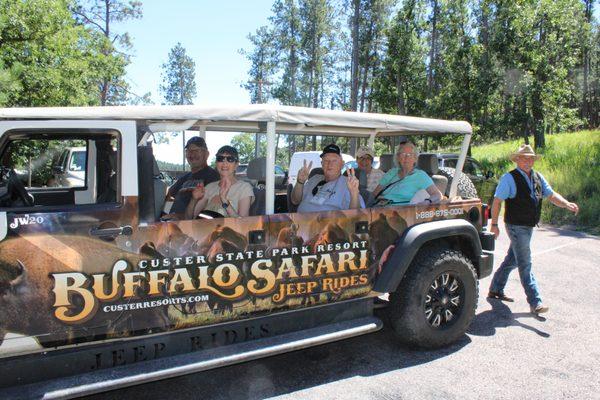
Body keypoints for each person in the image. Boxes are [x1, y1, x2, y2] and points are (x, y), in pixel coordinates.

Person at [487, 144, 578, 314]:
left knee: (513, 259)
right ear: (517, 160)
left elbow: (550, 195)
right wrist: (494, 225)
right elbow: (497, 201)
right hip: (515, 226)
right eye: (524, 158)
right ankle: (535, 301)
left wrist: (566, 204)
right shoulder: (509, 178)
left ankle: (495, 289)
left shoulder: (537, 177)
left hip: (528, 226)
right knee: (525, 262)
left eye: (531, 158)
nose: (528, 161)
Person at [291, 143, 364, 213]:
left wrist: (354, 193)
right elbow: (295, 201)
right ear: (322, 164)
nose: (330, 164)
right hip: (299, 222)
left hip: (326, 225)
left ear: (342, 164)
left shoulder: (348, 184)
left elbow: (357, 216)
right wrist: (300, 182)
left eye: (334, 160)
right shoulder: (314, 179)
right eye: (326, 160)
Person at [185, 145, 254, 218]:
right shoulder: (210, 187)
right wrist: (194, 199)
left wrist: (224, 200)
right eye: (220, 159)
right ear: (216, 164)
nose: (224, 163)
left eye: (230, 159)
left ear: (236, 165)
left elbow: (243, 224)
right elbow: (189, 218)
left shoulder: (244, 188)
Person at [371, 141, 442, 205]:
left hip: (402, 214)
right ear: (398, 158)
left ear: (415, 159)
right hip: (380, 208)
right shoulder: (392, 172)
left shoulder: (420, 176)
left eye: (410, 154)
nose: (406, 158)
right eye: (403, 154)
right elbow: (374, 194)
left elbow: (437, 195)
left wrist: (427, 201)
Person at [167, 136, 219, 215]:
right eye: (189, 151)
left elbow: (212, 206)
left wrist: (181, 217)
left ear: (207, 154)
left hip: (194, 224)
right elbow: (169, 194)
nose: (192, 154)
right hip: (172, 222)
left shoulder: (214, 177)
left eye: (197, 150)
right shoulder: (184, 178)